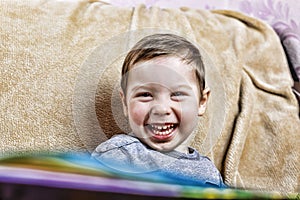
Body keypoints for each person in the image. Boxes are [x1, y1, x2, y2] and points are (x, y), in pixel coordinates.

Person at [92, 33, 226, 188]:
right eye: (145, 95)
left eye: (177, 94)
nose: (161, 109)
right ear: (126, 103)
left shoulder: (210, 172)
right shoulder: (120, 154)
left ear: (201, 102)